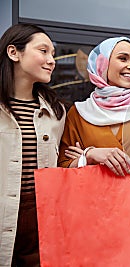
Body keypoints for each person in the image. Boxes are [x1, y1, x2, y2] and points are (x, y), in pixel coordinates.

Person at [0, 23, 66, 267]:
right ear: (13, 53)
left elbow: (62, 164)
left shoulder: (57, 112)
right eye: (43, 51)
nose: (51, 60)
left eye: (53, 54)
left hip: (40, 217)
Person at [57, 36, 130, 174]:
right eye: (123, 59)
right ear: (102, 63)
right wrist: (89, 155)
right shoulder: (78, 113)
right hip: (93, 194)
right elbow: (63, 167)